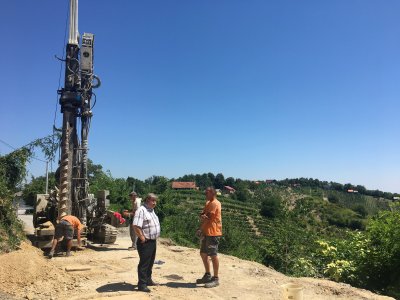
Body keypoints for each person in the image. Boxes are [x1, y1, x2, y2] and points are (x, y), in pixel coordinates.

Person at [133, 193, 161, 293]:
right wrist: (142, 237)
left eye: (155, 201)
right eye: (153, 200)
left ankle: (148, 280)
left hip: (152, 241)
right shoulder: (141, 210)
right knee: (144, 264)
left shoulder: (151, 210)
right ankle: (142, 284)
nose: (155, 203)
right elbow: (136, 226)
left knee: (150, 262)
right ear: (147, 200)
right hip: (145, 242)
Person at [196, 187, 222, 288]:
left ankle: (215, 279)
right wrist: (202, 216)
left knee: (213, 254)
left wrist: (200, 229)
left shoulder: (215, 203)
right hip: (207, 232)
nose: (205, 194)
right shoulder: (208, 203)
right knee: (203, 253)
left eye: (207, 192)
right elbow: (203, 215)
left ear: (212, 193)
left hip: (213, 232)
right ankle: (207, 275)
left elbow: (209, 218)